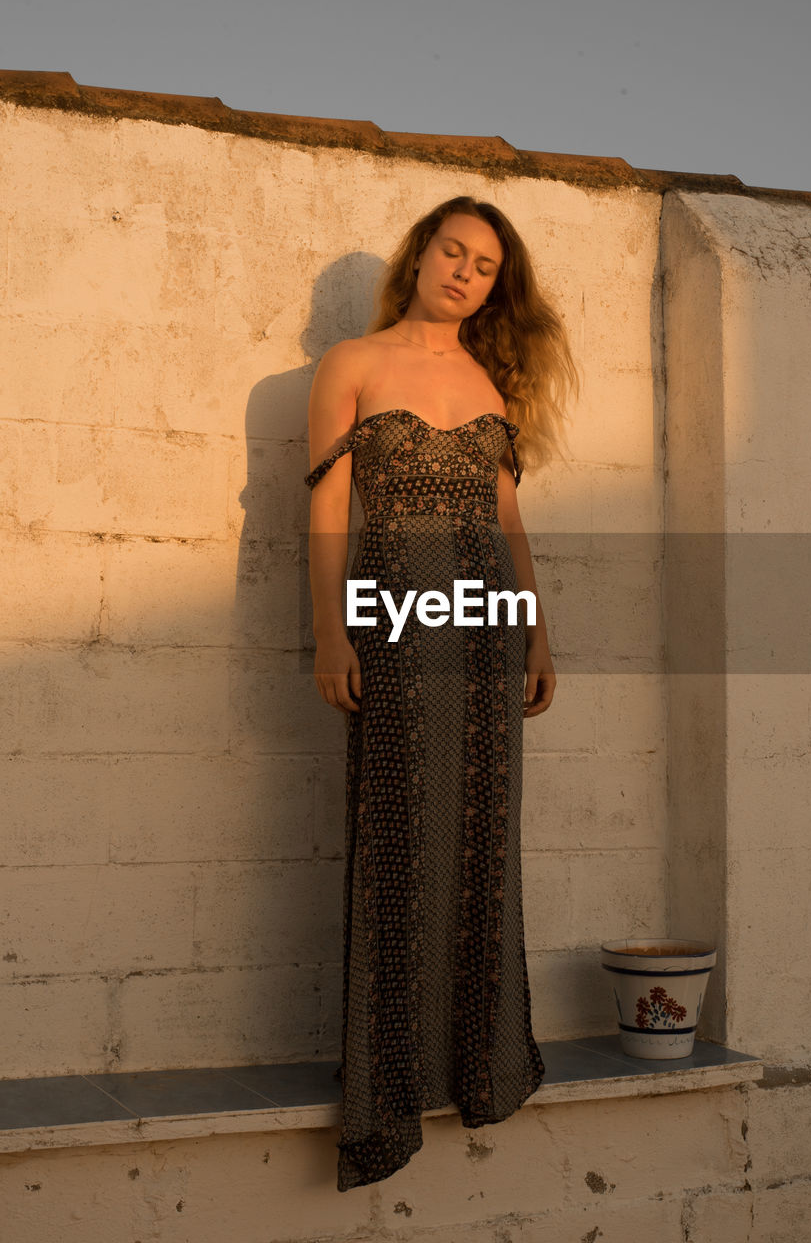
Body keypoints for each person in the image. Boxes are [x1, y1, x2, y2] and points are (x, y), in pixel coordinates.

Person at [304, 195, 578, 1191]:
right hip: (396, 622)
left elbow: (509, 525)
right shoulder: (352, 363)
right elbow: (330, 508)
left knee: (480, 836)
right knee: (400, 836)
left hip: (487, 630)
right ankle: (387, 1089)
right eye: (452, 250)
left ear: (493, 287)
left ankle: (477, 1062)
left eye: (484, 265)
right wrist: (332, 631)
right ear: (422, 254)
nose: (463, 271)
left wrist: (538, 634)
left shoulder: (487, 377)